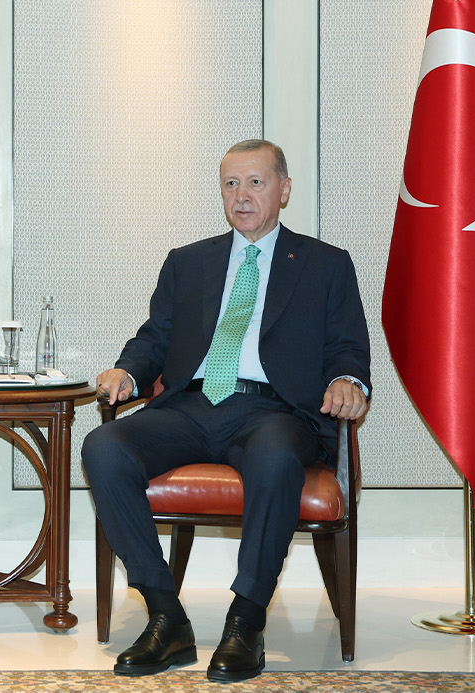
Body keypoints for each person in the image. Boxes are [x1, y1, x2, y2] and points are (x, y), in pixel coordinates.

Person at [83, 139, 370, 682]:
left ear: (284, 190)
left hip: (273, 412)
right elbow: (155, 337)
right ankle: (165, 615)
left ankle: (246, 619)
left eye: (256, 183)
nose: (242, 196)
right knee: (103, 446)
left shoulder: (325, 264)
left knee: (275, 458)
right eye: (231, 184)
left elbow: (348, 347)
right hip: (190, 406)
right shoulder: (187, 261)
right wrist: (127, 370)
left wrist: (347, 381)